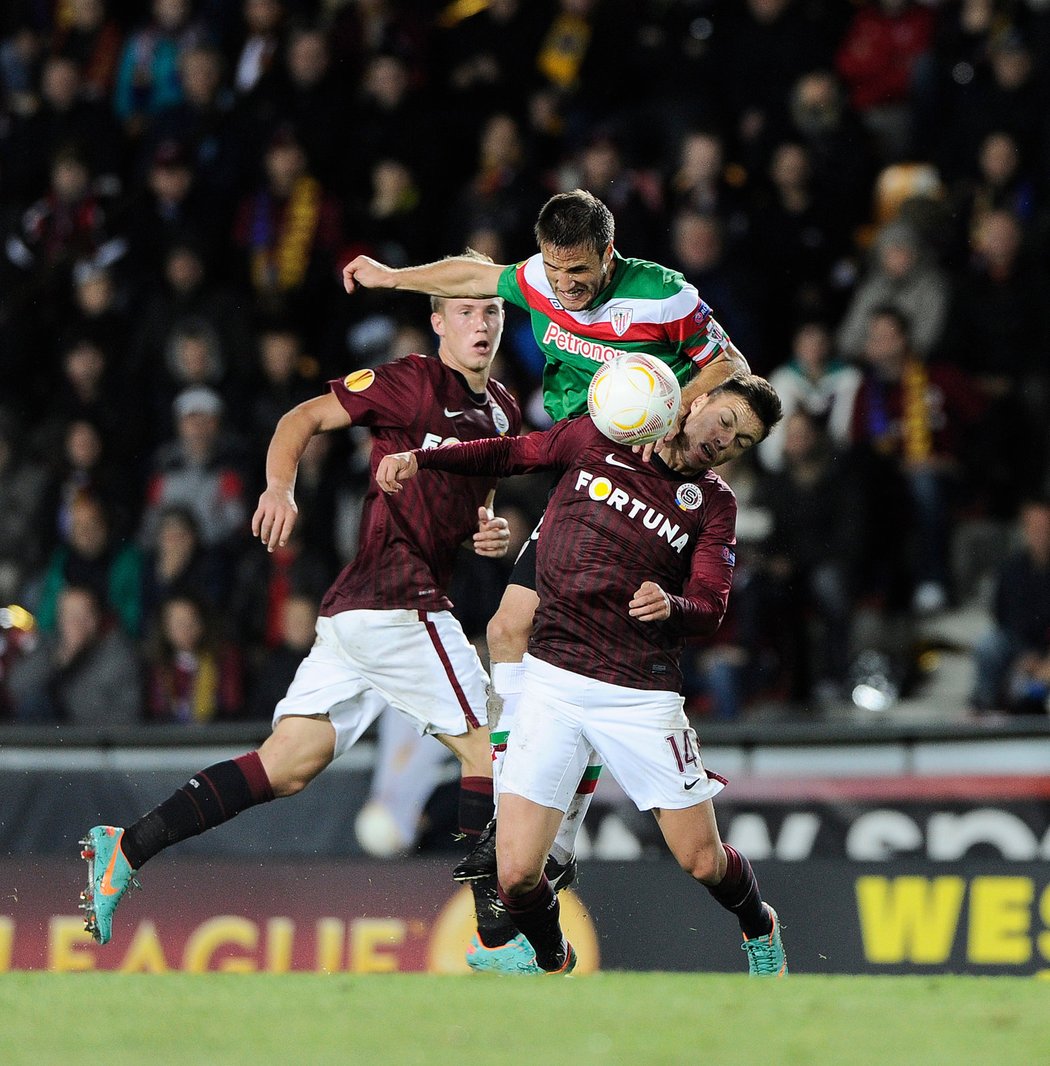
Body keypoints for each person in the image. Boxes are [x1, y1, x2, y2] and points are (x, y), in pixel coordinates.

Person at [78, 266, 522, 952]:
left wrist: (486, 526)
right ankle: (499, 935)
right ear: (438, 323)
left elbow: (473, 498)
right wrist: (280, 488)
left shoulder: (501, 411)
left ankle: (129, 847)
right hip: (397, 604)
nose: (482, 323)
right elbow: (303, 417)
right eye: (466, 311)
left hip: (361, 615)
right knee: (492, 749)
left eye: (491, 311)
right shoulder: (409, 380)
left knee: (285, 764)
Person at [343, 187, 750, 936]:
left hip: (646, 491)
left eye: (581, 275)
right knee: (506, 628)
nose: (566, 288)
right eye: (558, 275)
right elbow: (475, 274)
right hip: (579, 472)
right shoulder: (536, 278)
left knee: (568, 651)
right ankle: (526, 810)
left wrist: (669, 410)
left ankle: (553, 836)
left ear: (609, 252)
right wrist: (396, 277)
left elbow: (732, 366)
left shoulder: (664, 296)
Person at [376, 371, 788, 977]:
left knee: (701, 860)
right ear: (696, 401)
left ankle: (760, 926)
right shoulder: (602, 436)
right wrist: (425, 458)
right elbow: (515, 451)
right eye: (725, 423)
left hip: (638, 692)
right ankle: (550, 959)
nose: (723, 442)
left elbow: (711, 603)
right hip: (553, 680)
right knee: (515, 873)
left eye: (741, 443)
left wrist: (674, 606)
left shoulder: (715, 505)